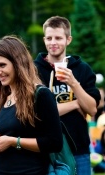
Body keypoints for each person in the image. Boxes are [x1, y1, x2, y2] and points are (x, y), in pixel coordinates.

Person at [0, 35, 63, 174]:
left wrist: (14, 141)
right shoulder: (3, 98)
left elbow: (54, 143)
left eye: (2, 65)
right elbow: (6, 139)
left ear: (18, 63)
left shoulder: (40, 95)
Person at [34, 16, 101, 175]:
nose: (53, 42)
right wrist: (76, 104)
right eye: (49, 38)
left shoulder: (82, 69)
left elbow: (92, 109)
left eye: (58, 38)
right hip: (46, 149)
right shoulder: (34, 70)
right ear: (44, 40)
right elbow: (37, 112)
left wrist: (73, 83)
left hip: (78, 148)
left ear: (68, 40)